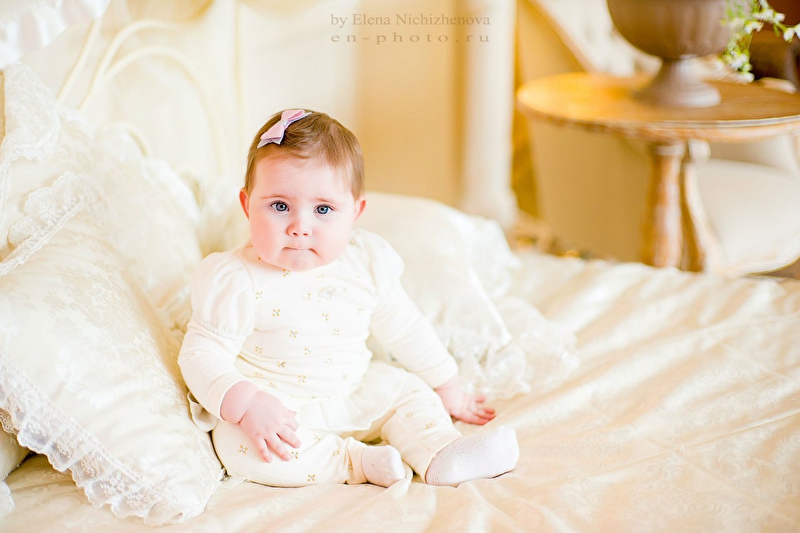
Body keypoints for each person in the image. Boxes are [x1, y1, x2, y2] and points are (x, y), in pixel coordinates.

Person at [178, 109, 519, 488]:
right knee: (239, 445)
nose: (300, 227)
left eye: (323, 209)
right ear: (247, 205)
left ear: (355, 213)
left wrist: (448, 385)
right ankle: (353, 463)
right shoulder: (235, 279)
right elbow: (201, 355)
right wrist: (247, 403)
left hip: (356, 390)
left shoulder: (366, 262)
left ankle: (442, 452)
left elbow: (406, 328)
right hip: (280, 409)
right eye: (279, 206)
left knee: (410, 393)